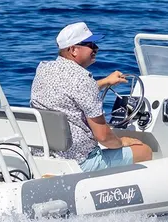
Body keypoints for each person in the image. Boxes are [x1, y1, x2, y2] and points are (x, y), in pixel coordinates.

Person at [30, 22, 153, 172]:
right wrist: (122, 141)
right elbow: (103, 137)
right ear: (73, 50)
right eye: (90, 45)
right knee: (144, 151)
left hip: (45, 156)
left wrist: (105, 82)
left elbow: (69, 91)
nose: (96, 48)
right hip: (78, 162)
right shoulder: (83, 79)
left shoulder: (44, 69)